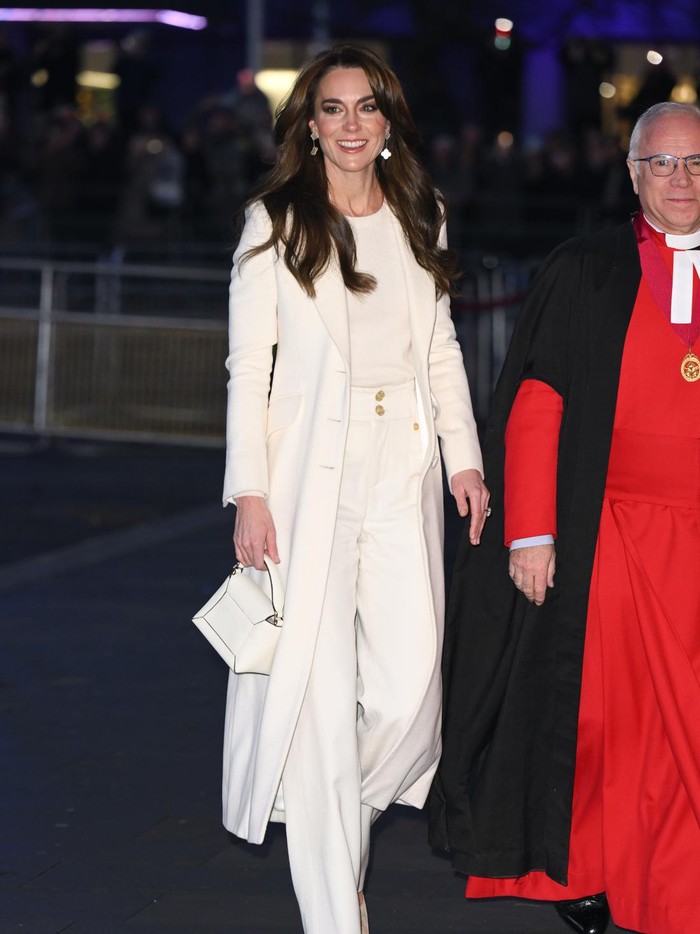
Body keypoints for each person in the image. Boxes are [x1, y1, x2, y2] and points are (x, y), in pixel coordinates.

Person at [221, 44, 488, 934]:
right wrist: (249, 491)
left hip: (402, 469)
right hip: (307, 482)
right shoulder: (274, 222)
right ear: (309, 124)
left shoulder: (420, 212)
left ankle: (327, 814)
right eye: (332, 109)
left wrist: (464, 456)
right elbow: (247, 366)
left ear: (388, 122)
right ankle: (339, 911)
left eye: (365, 106)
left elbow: (440, 345)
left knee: (414, 696)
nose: (349, 124)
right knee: (323, 702)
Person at [430, 100, 700, 934]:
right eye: (662, 163)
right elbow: (538, 401)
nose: (681, 180)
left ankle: (677, 892)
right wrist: (532, 532)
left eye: (697, 163)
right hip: (610, 537)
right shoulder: (586, 268)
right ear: (632, 173)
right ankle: (589, 870)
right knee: (603, 725)